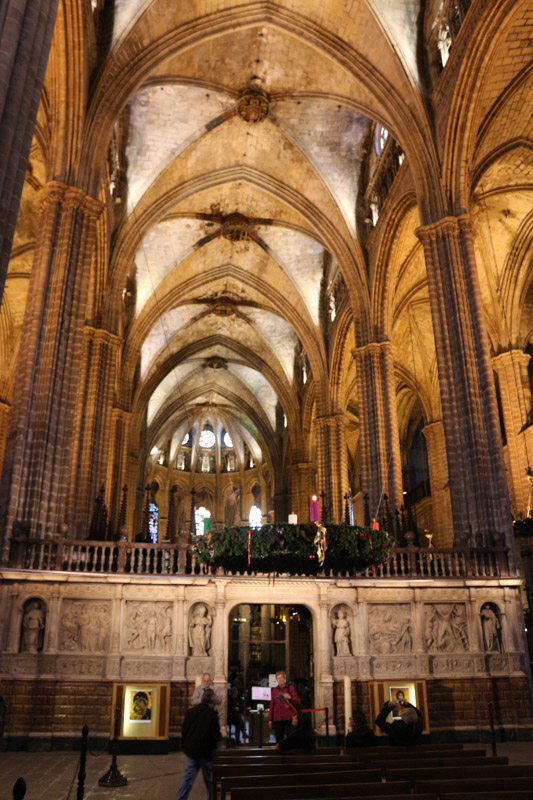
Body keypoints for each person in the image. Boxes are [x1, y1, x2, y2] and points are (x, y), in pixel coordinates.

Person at [176, 688, 221, 800]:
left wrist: (184, 746)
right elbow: (215, 734)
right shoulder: (212, 714)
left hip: (191, 751)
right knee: (209, 781)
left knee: (187, 779)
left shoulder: (190, 712)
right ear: (212, 701)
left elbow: (184, 731)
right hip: (206, 753)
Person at [268, 670, 301, 744]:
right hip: (277, 718)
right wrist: (270, 719)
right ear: (276, 680)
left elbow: (298, 701)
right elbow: (272, 705)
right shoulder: (274, 690)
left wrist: (290, 697)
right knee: (279, 738)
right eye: (278, 678)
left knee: (290, 737)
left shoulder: (290, 688)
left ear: (284, 678)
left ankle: (289, 753)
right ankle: (279, 752)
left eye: (281, 678)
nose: (280, 680)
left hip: (288, 717)